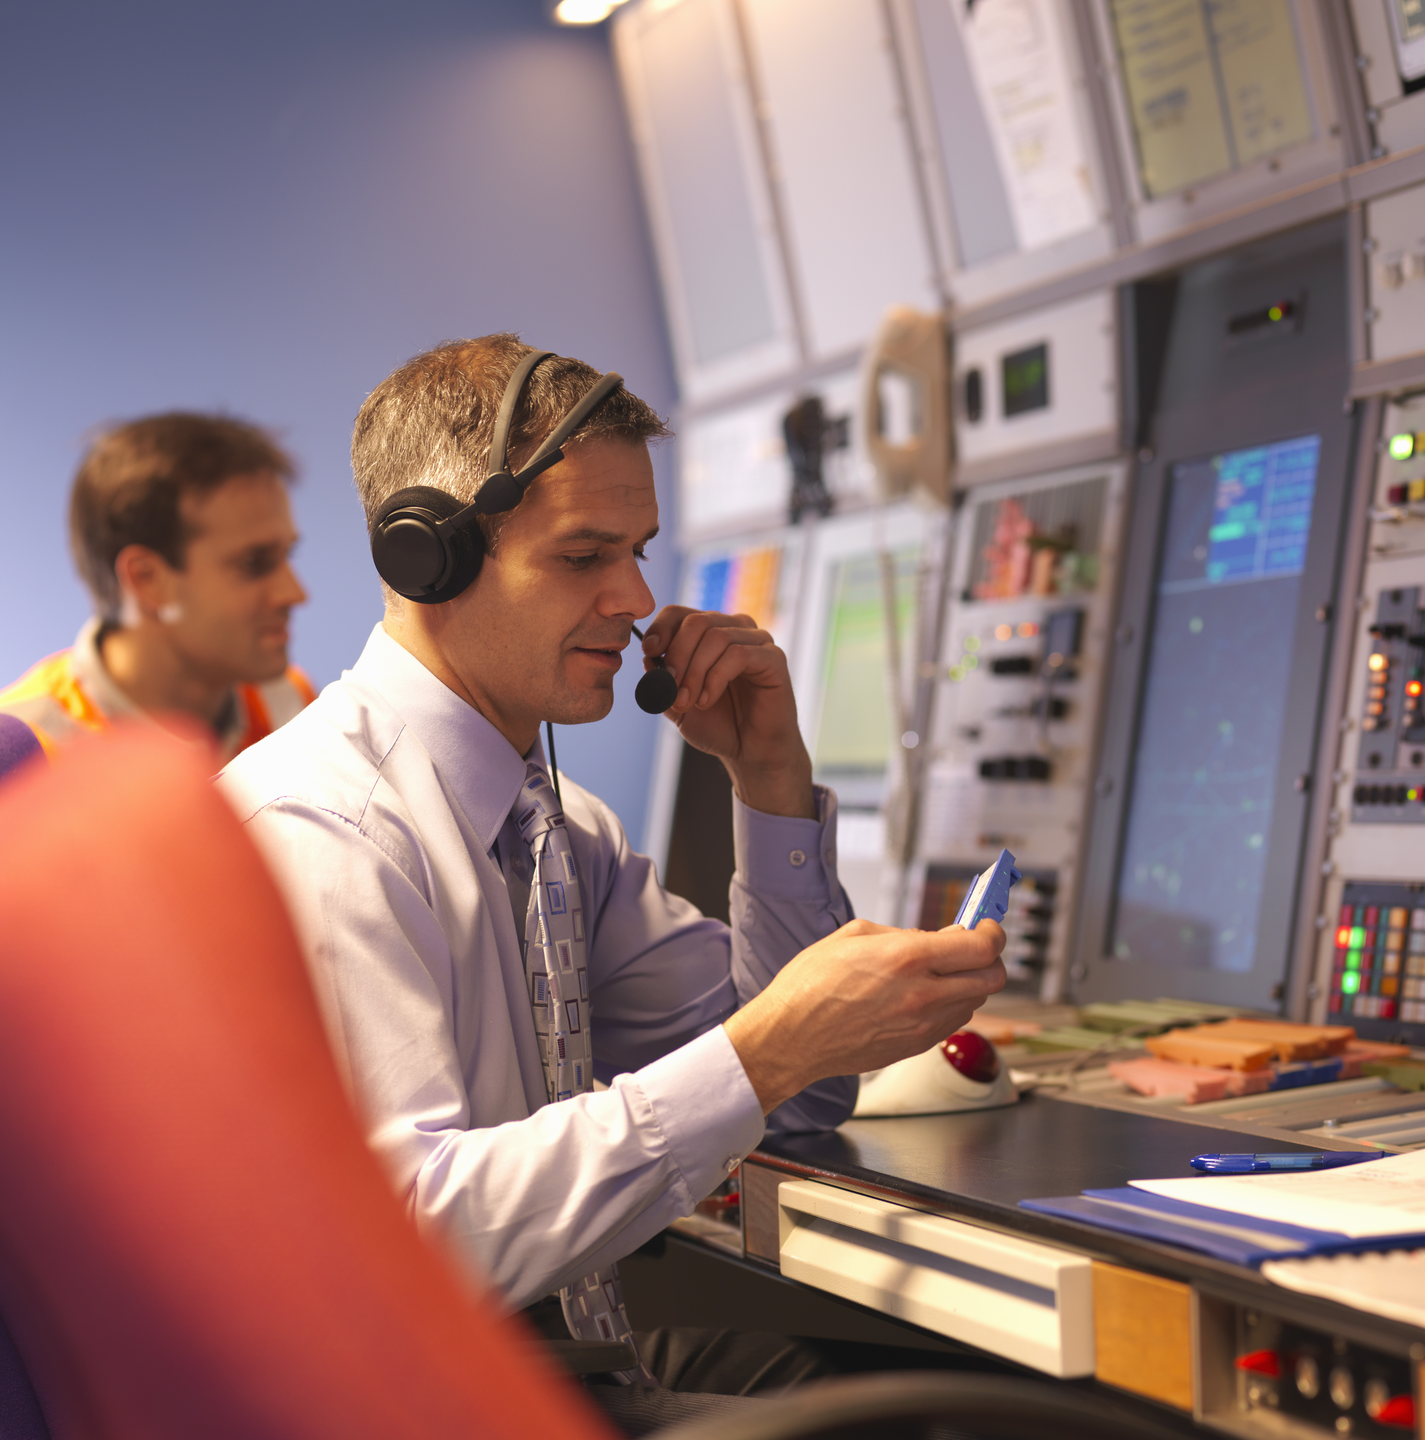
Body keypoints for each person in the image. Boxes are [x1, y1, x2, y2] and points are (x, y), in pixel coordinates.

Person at [216, 336, 1007, 1433]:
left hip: (569, 1368)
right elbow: (418, 1238)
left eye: (638, 550)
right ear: (426, 560)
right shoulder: (328, 831)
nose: (636, 599)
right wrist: (766, 1049)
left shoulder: (555, 829)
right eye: (585, 555)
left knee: (983, 1388)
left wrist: (768, 780)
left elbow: (806, 1092)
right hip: (429, 1407)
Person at [0, 413, 313, 764]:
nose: (296, 594)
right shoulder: (23, 753)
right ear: (147, 580)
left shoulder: (290, 703)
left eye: (288, 555)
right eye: (254, 564)